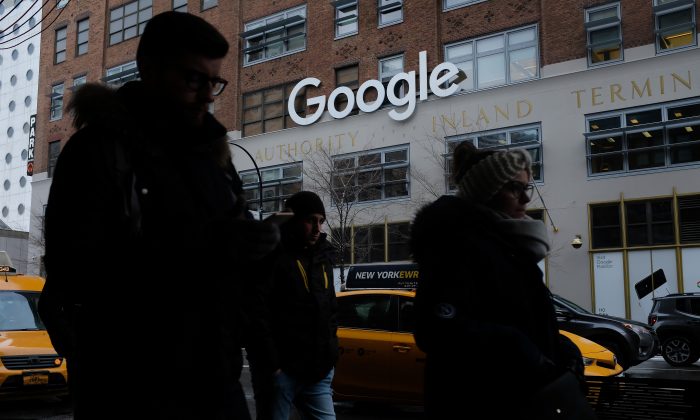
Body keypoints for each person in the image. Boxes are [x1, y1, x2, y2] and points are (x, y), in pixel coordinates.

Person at [38, 11, 279, 419]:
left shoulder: (215, 157)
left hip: (215, 382)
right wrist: (211, 248)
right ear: (149, 69)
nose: (207, 94)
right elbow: (76, 273)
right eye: (193, 79)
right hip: (131, 390)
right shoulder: (99, 151)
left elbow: (233, 263)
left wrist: (262, 248)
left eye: (214, 82)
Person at [410, 142, 586, 418]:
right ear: (486, 192)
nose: (526, 199)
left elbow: (522, 319)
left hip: (521, 397)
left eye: (526, 188)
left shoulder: (508, 245)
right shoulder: (453, 244)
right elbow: (435, 329)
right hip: (481, 402)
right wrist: (518, 348)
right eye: (515, 188)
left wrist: (561, 348)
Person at [245, 191, 338, 420]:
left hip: (317, 372)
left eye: (321, 221)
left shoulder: (323, 258)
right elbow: (256, 313)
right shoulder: (271, 255)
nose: (318, 228)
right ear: (293, 220)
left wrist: (330, 355)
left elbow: (330, 309)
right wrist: (272, 366)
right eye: (310, 220)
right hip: (281, 374)